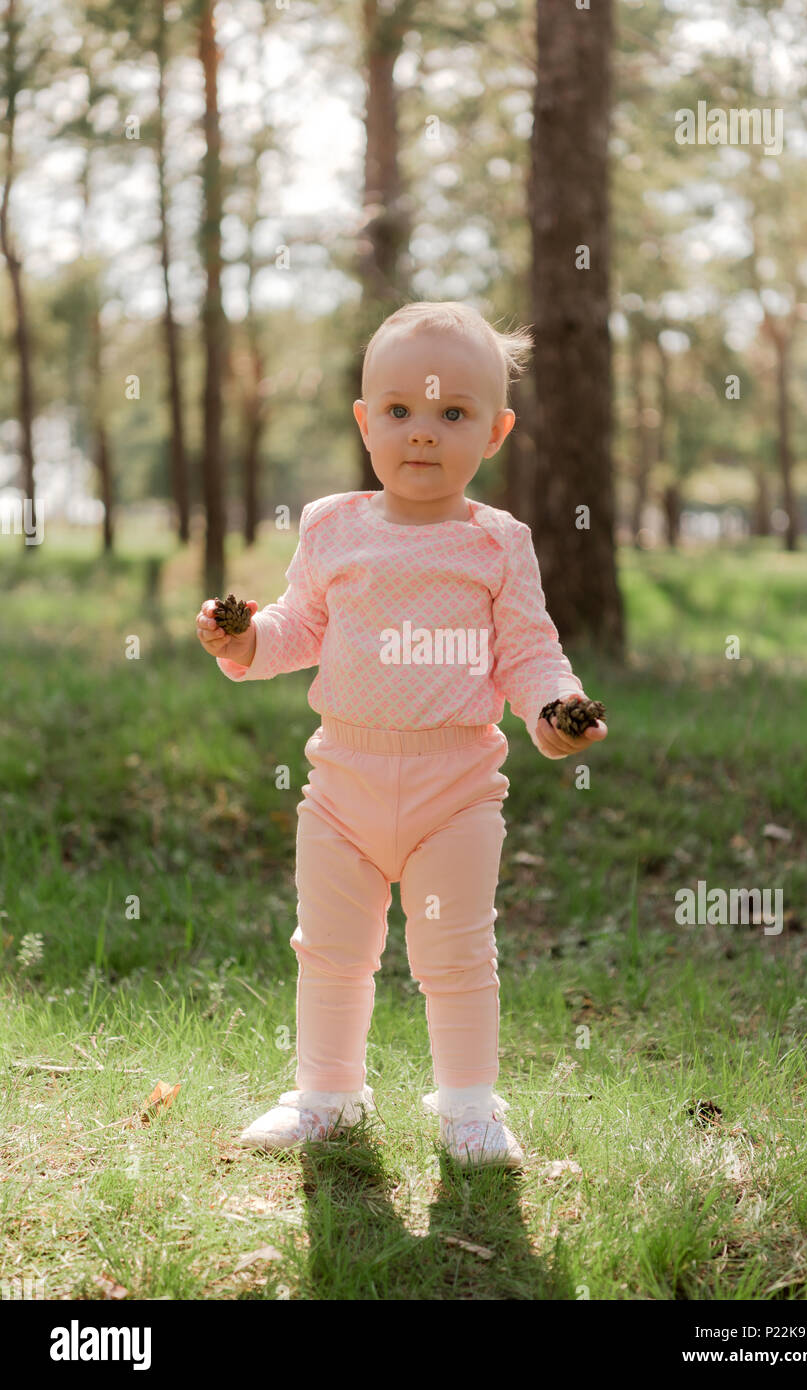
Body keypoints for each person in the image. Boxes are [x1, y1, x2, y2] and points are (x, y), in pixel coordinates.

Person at [195, 301, 608, 1169]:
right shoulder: (331, 526)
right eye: (399, 412)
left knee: (454, 951)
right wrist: (245, 640)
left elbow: (528, 652)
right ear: (363, 420)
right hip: (341, 781)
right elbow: (300, 626)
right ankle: (326, 1096)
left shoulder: (497, 544)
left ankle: (467, 1107)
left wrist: (554, 710)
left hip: (454, 789)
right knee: (331, 950)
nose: (422, 434)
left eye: (451, 414)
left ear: (493, 432)